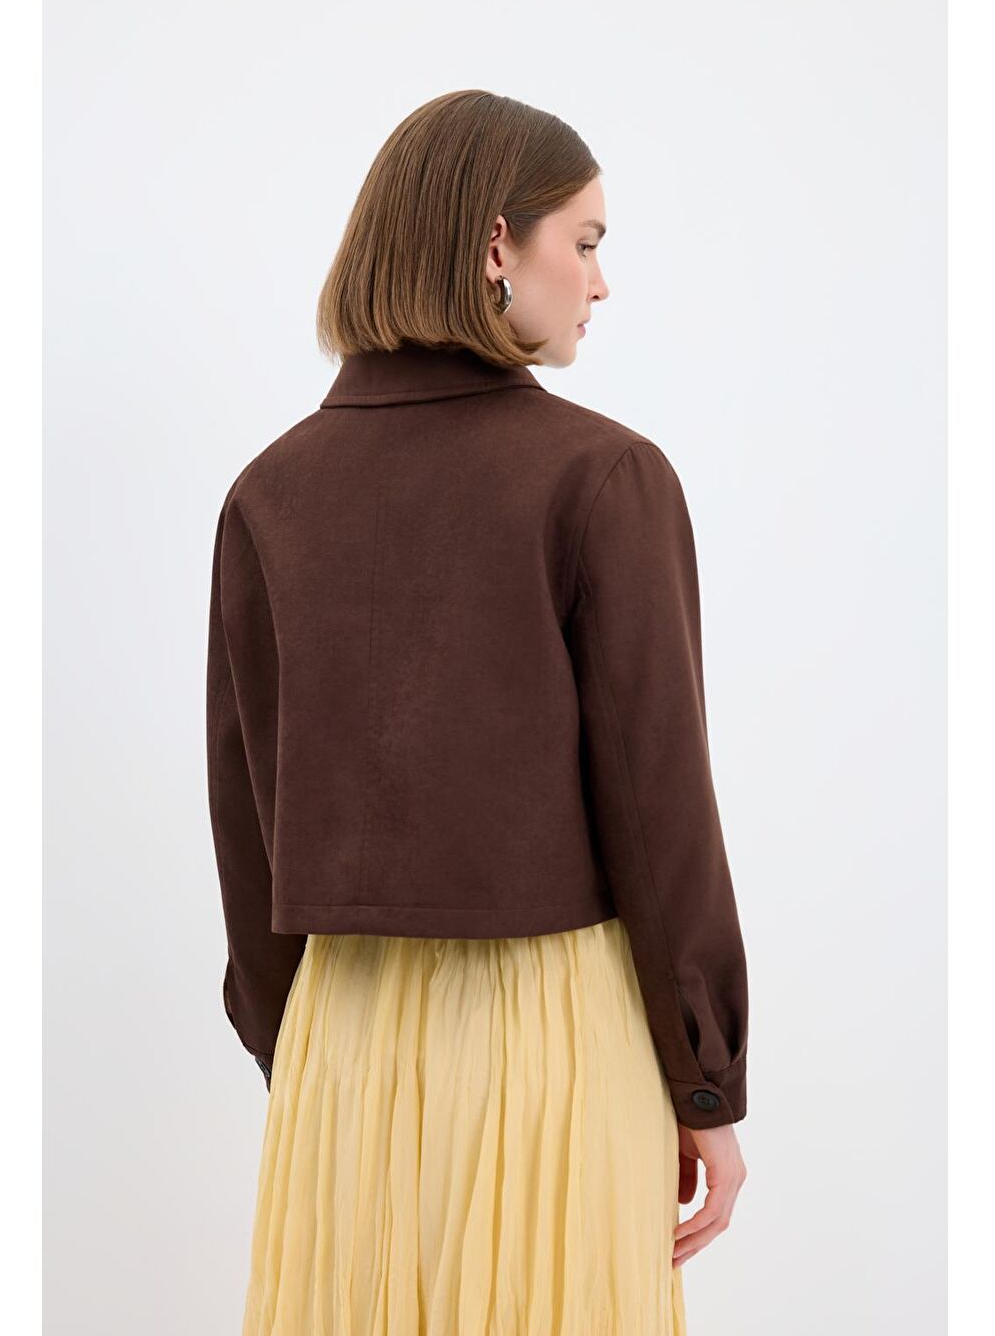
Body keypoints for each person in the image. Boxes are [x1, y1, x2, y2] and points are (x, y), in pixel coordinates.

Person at [206, 89, 749, 1335]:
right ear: (498, 242)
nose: (601, 284)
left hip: (341, 1040)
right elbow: (659, 809)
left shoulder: (267, 494)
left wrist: (295, 1048)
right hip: (548, 1033)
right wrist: (704, 1080)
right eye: (587, 241)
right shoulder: (603, 479)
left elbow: (249, 809)